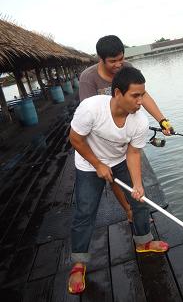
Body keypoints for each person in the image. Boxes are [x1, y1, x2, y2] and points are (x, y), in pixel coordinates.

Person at [68, 67, 169, 294]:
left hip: (120, 159)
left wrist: (138, 184)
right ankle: (78, 263)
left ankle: (143, 241)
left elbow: (133, 154)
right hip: (88, 163)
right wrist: (98, 165)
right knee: (85, 211)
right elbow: (75, 139)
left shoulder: (140, 122)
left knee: (139, 200)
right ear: (117, 94)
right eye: (135, 96)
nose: (141, 101)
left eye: (142, 95)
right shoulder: (91, 109)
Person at [79, 35, 174, 223]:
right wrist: (98, 161)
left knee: (134, 174)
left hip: (128, 132)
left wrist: (162, 120)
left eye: (121, 59)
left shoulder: (128, 68)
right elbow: (87, 113)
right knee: (113, 177)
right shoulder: (88, 78)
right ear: (101, 59)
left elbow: (144, 96)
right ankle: (128, 210)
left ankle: (139, 214)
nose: (118, 64)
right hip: (103, 137)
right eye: (113, 61)